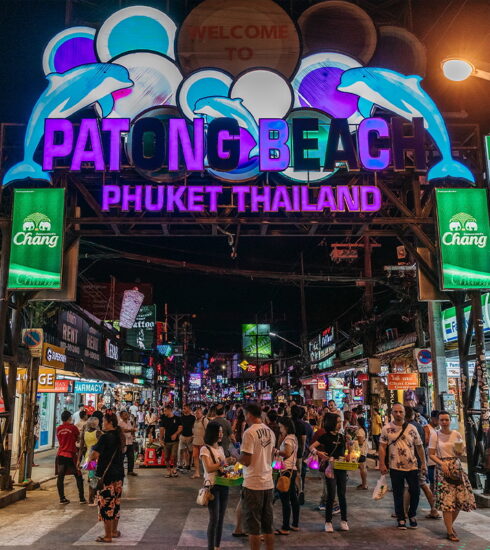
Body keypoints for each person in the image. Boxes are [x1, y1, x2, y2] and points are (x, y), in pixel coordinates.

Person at [429, 411, 476, 542]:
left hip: (456, 468)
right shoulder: (435, 435)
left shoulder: (456, 434)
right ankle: (449, 531)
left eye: (447, 420)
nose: (444, 422)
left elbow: (460, 451)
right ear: (438, 421)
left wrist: (460, 451)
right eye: (442, 420)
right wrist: (441, 463)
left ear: (450, 421)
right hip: (442, 469)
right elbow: (431, 454)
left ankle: (449, 525)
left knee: (460, 500)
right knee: (447, 502)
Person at [379, 403, 427, 530]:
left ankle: (412, 514)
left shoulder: (412, 428)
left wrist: (424, 464)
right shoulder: (386, 428)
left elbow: (419, 446)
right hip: (395, 466)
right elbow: (382, 447)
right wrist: (382, 463)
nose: (398, 414)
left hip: (412, 466)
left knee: (415, 492)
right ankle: (401, 518)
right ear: (392, 413)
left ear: (405, 413)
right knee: (398, 493)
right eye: (396, 411)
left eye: (400, 411)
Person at [238, 403, 276, 550]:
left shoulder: (249, 433)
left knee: (253, 527)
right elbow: (271, 456)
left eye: (244, 414)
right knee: (268, 526)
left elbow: (246, 461)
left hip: (253, 483)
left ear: (249, 414)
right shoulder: (270, 431)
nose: (244, 417)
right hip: (268, 482)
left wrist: (236, 456)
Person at [310, 413, 349, 533]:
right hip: (330, 469)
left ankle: (344, 521)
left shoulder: (342, 437)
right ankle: (328, 522)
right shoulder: (325, 436)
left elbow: (345, 452)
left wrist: (349, 453)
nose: (339, 424)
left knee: (342, 495)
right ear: (332, 423)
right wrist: (319, 453)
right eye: (337, 422)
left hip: (341, 468)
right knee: (331, 495)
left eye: (340, 422)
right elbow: (311, 447)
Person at [90, 413, 126, 543]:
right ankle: (114, 532)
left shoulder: (105, 438)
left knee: (106, 506)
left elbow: (94, 456)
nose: (102, 424)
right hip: (119, 476)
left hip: (107, 477)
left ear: (109, 422)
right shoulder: (120, 436)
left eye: (104, 421)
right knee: (115, 504)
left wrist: (90, 458)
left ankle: (108, 535)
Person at [200, 422, 235, 550]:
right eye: (218, 431)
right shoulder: (205, 449)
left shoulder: (220, 449)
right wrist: (225, 462)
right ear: (212, 433)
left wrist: (230, 465)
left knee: (221, 519)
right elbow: (209, 468)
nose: (221, 434)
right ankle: (211, 547)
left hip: (224, 485)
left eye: (221, 431)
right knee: (214, 519)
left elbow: (223, 467)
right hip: (212, 486)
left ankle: (217, 546)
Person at [406, 406, 439, 519]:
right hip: (419, 460)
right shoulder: (420, 426)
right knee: (418, 485)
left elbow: (420, 445)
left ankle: (433, 509)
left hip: (415, 461)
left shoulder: (411, 427)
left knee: (421, 485)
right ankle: (404, 511)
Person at [275, 416, 300, 535]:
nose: (280, 429)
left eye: (280, 427)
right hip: (292, 470)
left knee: (285, 499)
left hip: (286, 470)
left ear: (286, 427)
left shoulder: (289, 439)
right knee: (293, 498)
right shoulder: (293, 437)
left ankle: (285, 527)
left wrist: (276, 451)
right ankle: (295, 524)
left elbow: (287, 453)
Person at [55, 410, 86, 504]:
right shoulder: (73, 428)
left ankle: (62, 498)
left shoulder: (58, 428)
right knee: (78, 475)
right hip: (71, 454)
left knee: (60, 477)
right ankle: (81, 498)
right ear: (69, 418)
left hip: (60, 454)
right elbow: (78, 439)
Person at [78, 416, 103, 506]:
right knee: (95, 477)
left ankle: (92, 498)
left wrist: (78, 460)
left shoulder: (84, 433)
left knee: (92, 477)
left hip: (88, 457)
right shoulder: (98, 433)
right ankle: (92, 498)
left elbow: (81, 448)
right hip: (96, 457)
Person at [159, 405, 183, 477]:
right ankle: (168, 470)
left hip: (175, 441)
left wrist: (176, 434)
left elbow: (180, 428)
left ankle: (174, 468)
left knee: (174, 455)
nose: (164, 412)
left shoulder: (177, 418)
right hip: (166, 441)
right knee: (166, 457)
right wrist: (161, 439)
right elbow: (162, 429)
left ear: (170, 410)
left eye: (165, 410)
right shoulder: (164, 418)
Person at [424, 410, 440, 491]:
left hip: (438, 460)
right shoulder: (427, 428)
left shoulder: (436, 429)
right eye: (437, 419)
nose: (439, 421)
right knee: (433, 482)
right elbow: (425, 442)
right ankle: (433, 499)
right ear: (432, 418)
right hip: (431, 461)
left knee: (439, 482)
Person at [118, 410, 138, 476]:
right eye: (125, 414)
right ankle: (121, 472)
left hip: (130, 442)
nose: (126, 415)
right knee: (121, 458)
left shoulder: (129, 422)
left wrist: (133, 432)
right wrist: (131, 430)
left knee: (131, 457)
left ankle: (130, 471)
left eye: (127, 414)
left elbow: (131, 430)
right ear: (121, 416)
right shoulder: (120, 423)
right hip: (124, 443)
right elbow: (122, 430)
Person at [191, 407, 208, 478]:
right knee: (195, 457)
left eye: (198, 413)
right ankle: (197, 472)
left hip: (203, 443)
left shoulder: (205, 420)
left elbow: (208, 431)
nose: (196, 415)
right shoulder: (195, 420)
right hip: (195, 442)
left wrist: (206, 442)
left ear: (201, 413)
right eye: (195, 413)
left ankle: (206, 473)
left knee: (204, 458)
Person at [178, 404, 196, 471]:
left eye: (184, 408)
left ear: (189, 409)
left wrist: (194, 436)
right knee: (181, 450)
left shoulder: (193, 418)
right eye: (183, 408)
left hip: (190, 436)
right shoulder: (181, 417)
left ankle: (188, 464)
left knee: (190, 451)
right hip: (182, 436)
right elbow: (179, 426)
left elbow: (194, 427)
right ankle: (180, 464)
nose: (183, 409)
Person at [356, 417, 369, 490]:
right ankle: (364, 483)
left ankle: (364, 484)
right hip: (364, 451)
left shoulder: (360, 431)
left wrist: (354, 441)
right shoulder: (363, 429)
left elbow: (360, 442)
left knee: (362, 468)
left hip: (361, 451)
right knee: (363, 467)